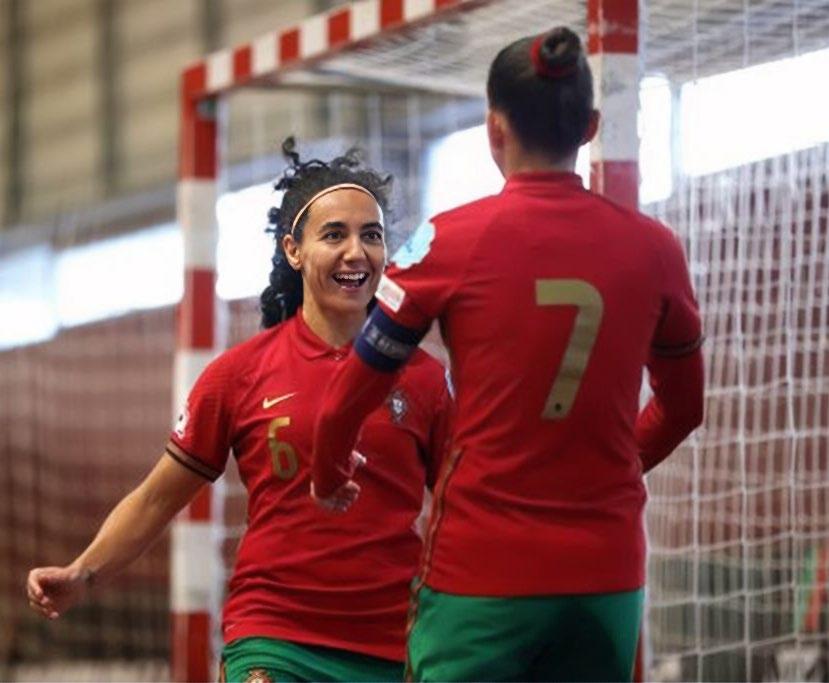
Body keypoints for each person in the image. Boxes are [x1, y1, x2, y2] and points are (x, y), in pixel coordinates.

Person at [311, 28, 705, 682]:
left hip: (481, 573)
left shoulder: (446, 240)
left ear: (494, 129)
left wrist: (328, 468)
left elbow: (353, 389)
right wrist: (608, 469)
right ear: (590, 128)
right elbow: (684, 408)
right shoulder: (655, 248)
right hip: (606, 575)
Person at [26, 140, 453, 682]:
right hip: (275, 639)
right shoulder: (240, 374)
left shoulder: (424, 377)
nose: (356, 252)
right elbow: (157, 497)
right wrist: (83, 573)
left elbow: (463, 501)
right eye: (334, 235)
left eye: (371, 235)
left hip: (396, 645)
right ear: (293, 250)